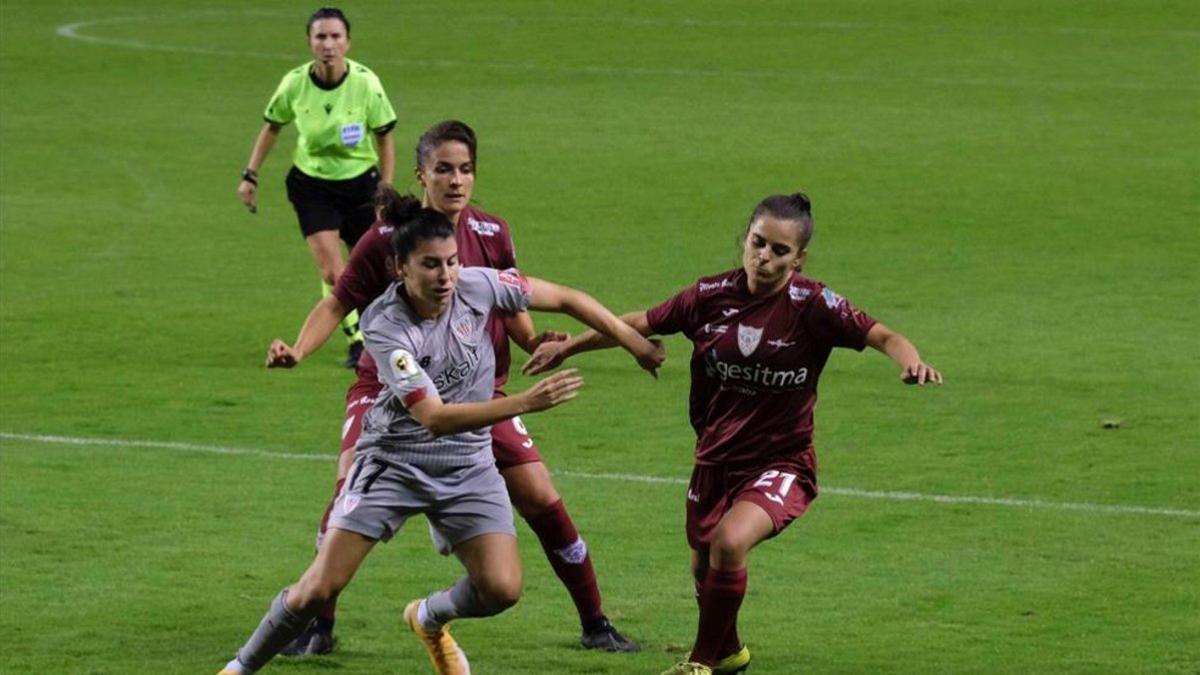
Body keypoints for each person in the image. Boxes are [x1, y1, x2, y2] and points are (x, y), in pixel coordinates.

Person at [219, 197, 662, 675]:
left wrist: (632, 341)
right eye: (430, 265)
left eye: (451, 261)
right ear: (399, 268)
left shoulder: (479, 286)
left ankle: (428, 617)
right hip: (396, 460)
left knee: (502, 588)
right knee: (318, 588)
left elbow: (569, 298)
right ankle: (240, 667)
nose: (446, 275)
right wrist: (525, 403)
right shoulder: (384, 324)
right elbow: (432, 416)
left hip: (468, 464)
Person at [523, 192, 944, 675]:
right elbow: (640, 322)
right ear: (744, 239)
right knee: (703, 569)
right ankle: (730, 655)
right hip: (714, 459)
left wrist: (910, 361)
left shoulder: (814, 305)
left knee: (729, 543)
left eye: (780, 251)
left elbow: (883, 335)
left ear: (799, 259)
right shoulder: (709, 296)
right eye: (758, 243)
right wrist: (568, 349)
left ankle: (698, 664)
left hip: (782, 462)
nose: (764, 257)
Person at [238, 7, 396, 368]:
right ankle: (359, 340)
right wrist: (250, 174)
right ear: (310, 42)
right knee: (333, 272)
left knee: (373, 266)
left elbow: (385, 136)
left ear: (348, 42)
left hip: (361, 186)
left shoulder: (365, 83)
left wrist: (385, 190)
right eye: (320, 37)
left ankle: (384, 334)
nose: (328, 44)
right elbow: (273, 126)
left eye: (335, 36)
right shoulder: (294, 83)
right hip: (313, 186)